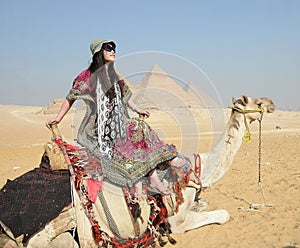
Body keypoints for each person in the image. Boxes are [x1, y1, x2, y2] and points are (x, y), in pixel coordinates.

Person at [46, 38, 188, 195]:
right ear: (99, 52)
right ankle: (157, 172)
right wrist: (58, 118)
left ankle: (159, 168)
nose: (113, 50)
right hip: (100, 127)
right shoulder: (87, 76)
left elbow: (126, 98)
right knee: (132, 129)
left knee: (141, 127)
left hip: (120, 121)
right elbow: (70, 97)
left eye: (114, 47)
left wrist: (138, 109)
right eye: (108, 48)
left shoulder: (113, 76)